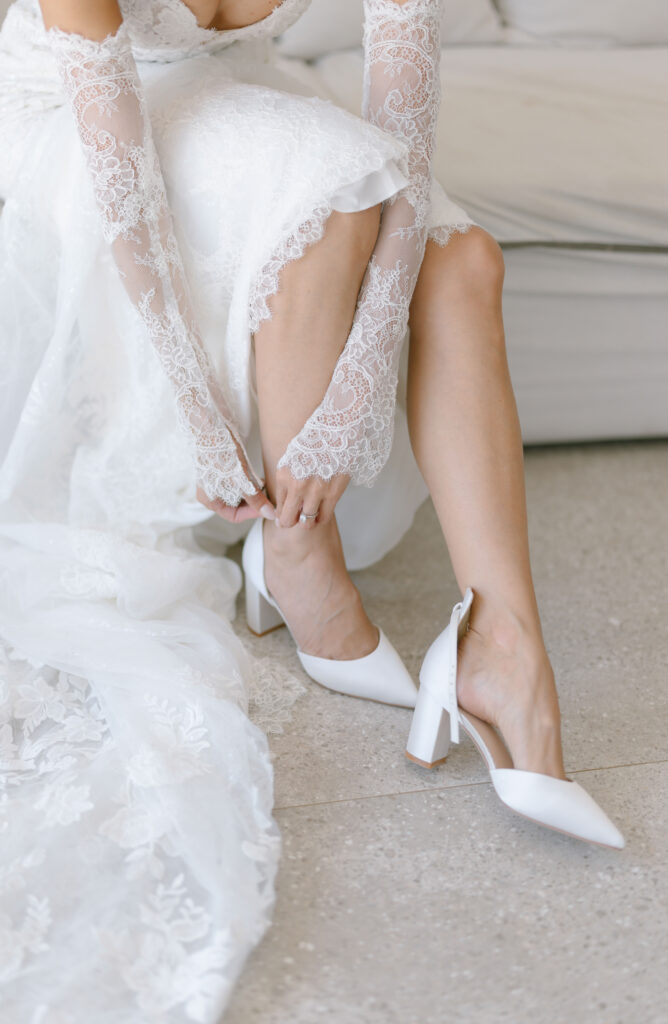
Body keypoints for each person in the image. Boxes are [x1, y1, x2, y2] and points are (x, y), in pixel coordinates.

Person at [0, 1, 623, 1020]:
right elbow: (121, 181)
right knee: (330, 182)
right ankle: (298, 555)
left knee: (461, 260)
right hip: (68, 118)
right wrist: (192, 402)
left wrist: (358, 384)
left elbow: (403, 156)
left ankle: (502, 653)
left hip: (233, 86)